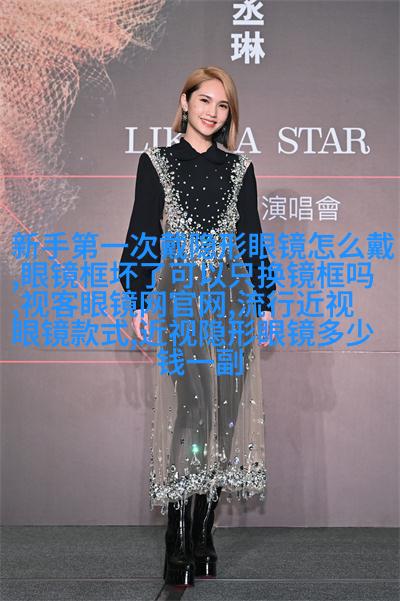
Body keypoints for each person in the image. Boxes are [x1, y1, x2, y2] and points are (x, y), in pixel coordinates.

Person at [119, 66, 276, 587]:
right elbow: (142, 232)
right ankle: (178, 536)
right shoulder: (157, 163)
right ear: (185, 102)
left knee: (223, 417)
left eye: (223, 104)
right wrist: (137, 298)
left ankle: (205, 534)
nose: (213, 112)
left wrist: (266, 303)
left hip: (232, 303)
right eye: (205, 100)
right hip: (181, 301)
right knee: (191, 413)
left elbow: (251, 239)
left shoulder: (239, 169)